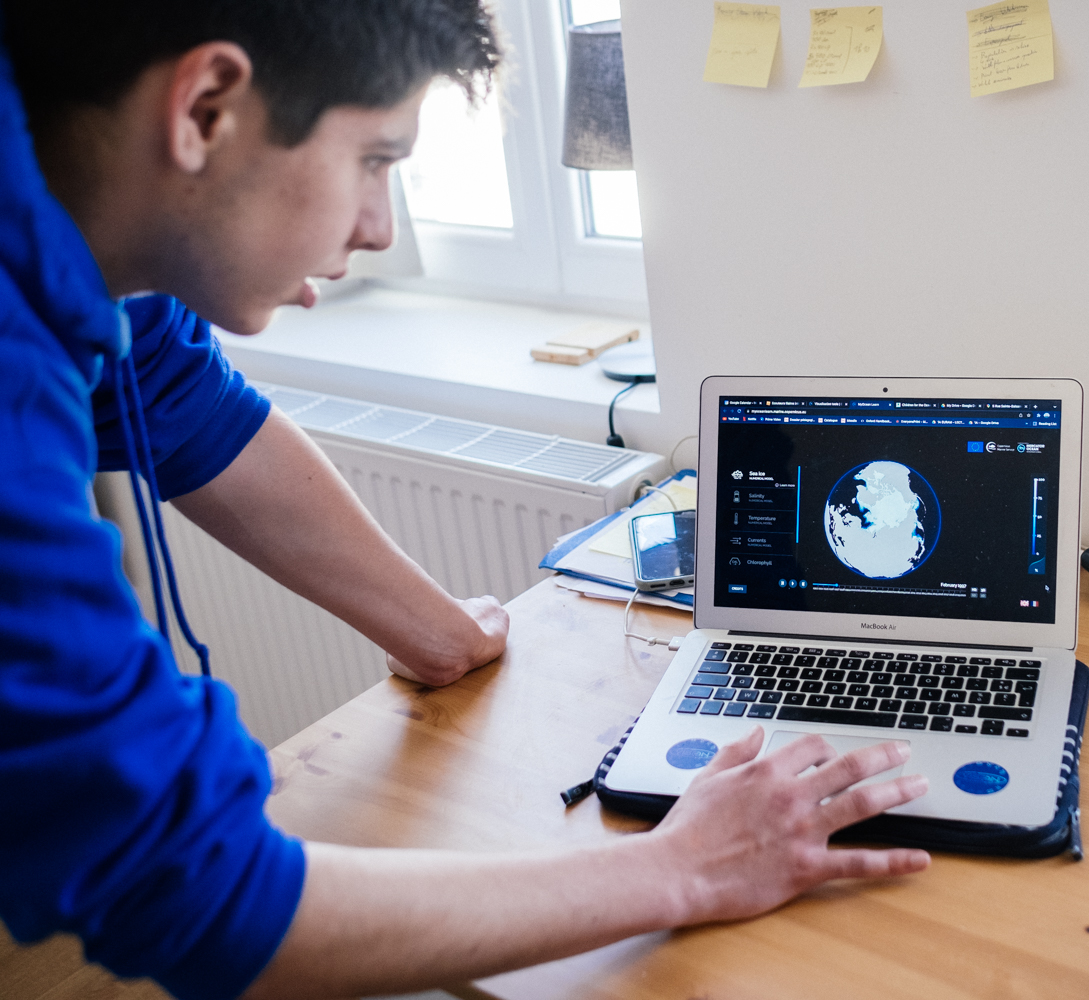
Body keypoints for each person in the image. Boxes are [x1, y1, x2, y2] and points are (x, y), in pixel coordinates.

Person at [0, 3, 931, 999]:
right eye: (373, 159)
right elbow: (197, 891)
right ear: (207, 107)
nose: (376, 226)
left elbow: (176, 396)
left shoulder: (76, 216)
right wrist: (685, 865)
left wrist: (436, 631)